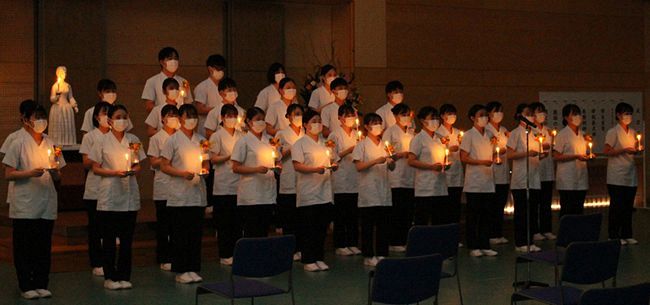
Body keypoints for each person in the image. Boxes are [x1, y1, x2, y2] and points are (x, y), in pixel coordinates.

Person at [3, 100, 64, 299]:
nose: (41, 121)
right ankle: (26, 284)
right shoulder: (17, 141)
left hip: (45, 200)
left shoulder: (51, 142)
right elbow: (8, 173)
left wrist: (55, 173)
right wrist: (29, 173)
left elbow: (58, 174)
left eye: (42, 117)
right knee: (24, 246)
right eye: (36, 117)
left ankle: (41, 282)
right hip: (25, 202)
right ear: (26, 120)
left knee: (43, 245)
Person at [89, 104, 145, 290]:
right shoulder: (102, 141)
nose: (122, 120)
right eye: (118, 117)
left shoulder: (133, 139)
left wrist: (132, 170)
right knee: (110, 239)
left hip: (129, 193)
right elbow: (95, 167)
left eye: (124, 116)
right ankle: (110, 277)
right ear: (111, 121)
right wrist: (113, 172)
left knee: (127, 239)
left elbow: (138, 165)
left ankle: (124, 275)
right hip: (110, 194)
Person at [160, 104, 208, 284]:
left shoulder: (201, 139)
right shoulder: (173, 140)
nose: (192, 120)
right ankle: (181, 270)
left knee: (195, 234)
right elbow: (164, 165)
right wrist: (182, 173)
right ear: (180, 119)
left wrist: (204, 170)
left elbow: (206, 162)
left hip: (197, 192)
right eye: (188, 116)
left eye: (194, 116)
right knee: (181, 234)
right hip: (180, 194)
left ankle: (193, 268)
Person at [292, 109, 337, 272]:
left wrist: (333, 166)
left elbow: (332, 159)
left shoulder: (326, 143)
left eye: (319, 120)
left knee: (321, 228)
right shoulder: (300, 143)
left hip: (324, 191)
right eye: (313, 121)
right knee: (309, 228)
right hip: (309, 192)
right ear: (305, 124)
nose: (317, 124)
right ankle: (308, 259)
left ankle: (319, 257)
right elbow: (297, 165)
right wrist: (314, 169)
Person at [352, 113, 395, 267]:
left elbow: (392, 166)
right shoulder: (361, 145)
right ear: (366, 126)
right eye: (374, 123)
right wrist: (376, 161)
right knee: (368, 225)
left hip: (383, 189)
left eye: (379, 122)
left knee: (383, 224)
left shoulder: (385, 144)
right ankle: (368, 255)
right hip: (368, 191)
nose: (377, 125)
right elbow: (359, 166)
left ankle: (382, 253)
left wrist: (391, 162)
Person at [231, 107, 279, 237]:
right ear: (249, 122)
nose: (261, 122)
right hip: (251, 193)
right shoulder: (243, 142)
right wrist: (256, 169)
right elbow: (235, 167)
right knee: (252, 230)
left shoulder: (270, 140)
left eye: (263, 119)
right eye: (258, 119)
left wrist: (277, 167)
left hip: (267, 191)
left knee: (264, 229)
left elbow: (276, 160)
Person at [459, 104, 498, 257]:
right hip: (474, 181)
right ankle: (473, 245)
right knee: (473, 215)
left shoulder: (490, 134)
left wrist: (495, 157)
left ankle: (485, 244)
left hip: (488, 180)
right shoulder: (469, 135)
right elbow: (464, 157)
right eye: (481, 115)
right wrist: (481, 162)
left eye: (486, 115)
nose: (484, 118)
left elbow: (494, 152)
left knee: (486, 214)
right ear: (472, 118)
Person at [208, 104, 244, 265]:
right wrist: (229, 156)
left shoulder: (242, 135)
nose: (231, 119)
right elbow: (213, 158)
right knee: (224, 223)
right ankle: (225, 253)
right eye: (228, 116)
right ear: (222, 118)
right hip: (223, 184)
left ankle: (237, 252)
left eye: (234, 115)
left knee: (237, 222)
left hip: (239, 183)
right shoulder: (216, 136)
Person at [79, 101, 112, 277]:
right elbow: (85, 163)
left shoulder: (116, 137)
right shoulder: (90, 137)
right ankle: (96, 261)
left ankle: (108, 261)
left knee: (109, 228)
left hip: (112, 189)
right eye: (103, 113)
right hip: (95, 188)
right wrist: (101, 159)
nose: (106, 116)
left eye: (109, 113)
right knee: (95, 228)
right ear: (96, 117)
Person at [146, 104, 180, 271]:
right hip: (163, 185)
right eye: (170, 115)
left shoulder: (181, 137)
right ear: (163, 119)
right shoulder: (156, 138)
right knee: (163, 224)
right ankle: (163, 256)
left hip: (179, 186)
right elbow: (153, 162)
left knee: (176, 224)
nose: (173, 118)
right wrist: (167, 157)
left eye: (175, 115)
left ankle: (176, 255)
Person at [507, 103, 543, 253]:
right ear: (520, 115)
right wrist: (527, 153)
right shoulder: (516, 133)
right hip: (521, 179)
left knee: (532, 211)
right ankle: (521, 242)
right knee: (521, 212)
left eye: (532, 114)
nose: (531, 116)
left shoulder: (534, 132)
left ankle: (530, 240)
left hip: (534, 176)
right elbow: (509, 154)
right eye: (528, 113)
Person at [604, 102, 640, 246]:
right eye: (625, 114)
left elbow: (634, 147)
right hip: (616, 175)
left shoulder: (632, 132)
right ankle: (613, 235)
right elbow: (607, 151)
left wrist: (636, 149)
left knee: (628, 206)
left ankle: (627, 234)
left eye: (630, 114)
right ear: (618, 115)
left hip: (630, 174)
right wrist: (624, 150)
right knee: (616, 207)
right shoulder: (613, 132)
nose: (628, 116)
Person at [328, 104, 361, 256]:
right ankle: (340, 244)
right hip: (341, 178)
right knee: (341, 213)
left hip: (355, 177)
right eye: (346, 116)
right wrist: (348, 150)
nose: (350, 119)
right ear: (340, 118)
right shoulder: (334, 135)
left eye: (352, 115)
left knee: (353, 214)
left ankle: (353, 242)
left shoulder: (358, 134)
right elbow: (332, 157)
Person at [408, 106, 449, 226]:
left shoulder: (440, 138)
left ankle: (438, 243)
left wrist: (445, 165)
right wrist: (431, 167)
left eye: (436, 118)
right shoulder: (418, 139)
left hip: (440, 184)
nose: (435, 121)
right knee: (423, 219)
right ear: (422, 121)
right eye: (432, 118)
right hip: (425, 186)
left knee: (439, 219)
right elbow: (411, 161)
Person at [382, 103, 415, 252]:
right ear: (395, 116)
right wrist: (401, 154)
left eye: (407, 114)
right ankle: (395, 241)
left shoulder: (412, 132)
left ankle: (406, 239)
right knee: (397, 210)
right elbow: (386, 154)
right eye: (402, 114)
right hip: (396, 176)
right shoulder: (390, 132)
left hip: (411, 175)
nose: (406, 117)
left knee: (408, 211)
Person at [274, 104, 305, 260]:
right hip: (288, 176)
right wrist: (291, 149)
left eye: (300, 113)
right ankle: (289, 250)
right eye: (296, 114)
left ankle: (301, 247)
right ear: (288, 116)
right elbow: (276, 157)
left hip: (305, 179)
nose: (299, 117)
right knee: (289, 217)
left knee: (301, 218)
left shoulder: (306, 133)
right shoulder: (281, 134)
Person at [553, 104, 589, 217]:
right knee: (568, 210)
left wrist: (589, 155)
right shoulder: (562, 135)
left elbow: (585, 152)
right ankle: (566, 234)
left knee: (579, 209)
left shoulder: (583, 135)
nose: (577, 117)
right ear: (566, 118)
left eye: (578, 114)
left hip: (581, 176)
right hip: (567, 179)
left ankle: (577, 233)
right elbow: (556, 156)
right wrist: (575, 156)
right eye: (574, 114)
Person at [530, 102, 557, 241]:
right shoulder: (530, 130)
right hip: (535, 171)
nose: (542, 115)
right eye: (538, 112)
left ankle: (546, 229)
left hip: (547, 170)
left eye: (543, 112)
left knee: (546, 202)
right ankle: (535, 230)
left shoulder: (548, 130)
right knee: (534, 203)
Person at [436, 104, 464, 233]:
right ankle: (443, 234)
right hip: (444, 174)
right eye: (448, 114)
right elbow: (434, 150)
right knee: (444, 207)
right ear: (442, 116)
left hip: (457, 173)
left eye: (453, 114)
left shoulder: (459, 133)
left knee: (455, 206)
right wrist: (448, 149)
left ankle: (454, 235)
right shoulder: (437, 132)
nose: (452, 116)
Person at [485, 101, 510, 245]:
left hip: (503, 172)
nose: (498, 114)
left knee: (501, 204)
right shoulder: (487, 130)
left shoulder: (504, 130)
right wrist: (498, 151)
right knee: (492, 205)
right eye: (495, 111)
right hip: (491, 172)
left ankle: (498, 232)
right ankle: (491, 233)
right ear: (489, 114)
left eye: (500, 111)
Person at [141, 47, 192, 113]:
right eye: (170, 59)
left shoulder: (184, 82)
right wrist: (166, 112)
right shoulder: (152, 81)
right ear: (162, 62)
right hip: (161, 120)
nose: (174, 61)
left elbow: (188, 104)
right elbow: (149, 106)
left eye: (176, 59)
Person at [194, 54, 226, 136]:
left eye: (222, 69)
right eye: (218, 69)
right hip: (206, 126)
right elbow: (199, 109)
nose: (220, 71)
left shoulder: (225, 86)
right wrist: (219, 109)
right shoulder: (202, 86)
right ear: (210, 69)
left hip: (223, 126)